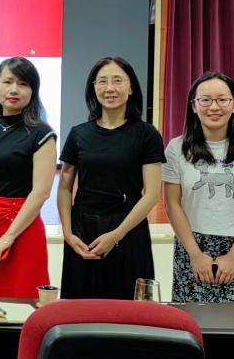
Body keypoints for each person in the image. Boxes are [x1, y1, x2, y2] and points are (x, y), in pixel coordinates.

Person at [163, 72, 234, 303]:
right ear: (194, 106)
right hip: (192, 249)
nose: (214, 107)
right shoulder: (176, 148)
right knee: (192, 320)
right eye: (205, 100)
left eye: (222, 100)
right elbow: (172, 205)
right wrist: (195, 254)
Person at [58, 57, 164, 299]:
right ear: (93, 87)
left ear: (131, 87)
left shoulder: (146, 134)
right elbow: (64, 188)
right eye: (102, 81)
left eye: (118, 81)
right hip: (82, 232)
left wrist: (116, 235)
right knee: (80, 309)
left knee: (127, 309)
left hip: (128, 230)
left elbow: (151, 194)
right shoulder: (78, 134)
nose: (109, 88)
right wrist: (68, 233)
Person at [0, 57, 57, 299]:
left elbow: (41, 192)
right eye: (7, 82)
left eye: (23, 84)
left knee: (25, 297)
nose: (14, 89)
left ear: (33, 91)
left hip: (23, 228)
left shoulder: (42, 133)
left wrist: (8, 237)